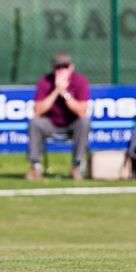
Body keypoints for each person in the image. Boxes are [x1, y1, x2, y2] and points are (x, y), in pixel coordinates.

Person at [25, 51, 90, 181]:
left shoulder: (80, 81)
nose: (61, 71)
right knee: (35, 122)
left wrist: (64, 93)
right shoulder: (45, 81)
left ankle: (76, 166)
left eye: (64, 67)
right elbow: (37, 111)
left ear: (71, 67)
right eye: (58, 67)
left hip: (72, 123)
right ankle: (35, 167)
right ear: (53, 68)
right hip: (51, 123)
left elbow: (81, 111)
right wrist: (56, 91)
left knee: (84, 122)